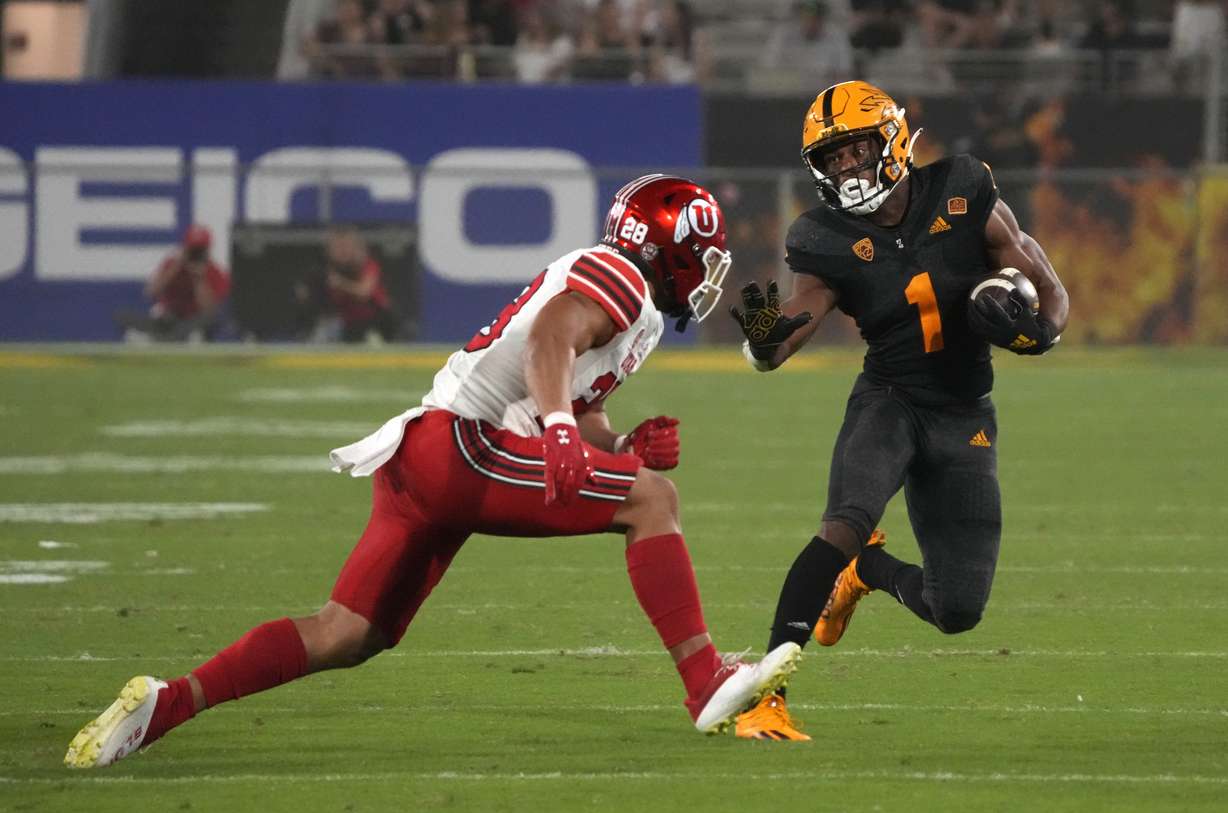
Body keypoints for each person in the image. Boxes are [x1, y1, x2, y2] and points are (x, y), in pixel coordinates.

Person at [64, 174, 803, 769]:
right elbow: (551, 340)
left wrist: (624, 446)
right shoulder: (620, 276)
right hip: (463, 445)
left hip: (427, 450)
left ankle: (167, 703)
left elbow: (579, 411)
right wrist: (563, 435)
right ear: (670, 248)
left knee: (348, 631)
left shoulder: (623, 298)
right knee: (654, 502)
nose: (708, 275)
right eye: (704, 257)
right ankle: (704, 677)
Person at [727, 81, 1069, 740]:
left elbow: (1046, 284)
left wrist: (1042, 332)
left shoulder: (964, 188)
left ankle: (867, 572)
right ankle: (765, 698)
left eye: (857, 150)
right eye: (833, 159)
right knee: (842, 523)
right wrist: (766, 341)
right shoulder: (823, 236)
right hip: (890, 398)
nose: (848, 168)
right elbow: (795, 318)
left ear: (891, 139)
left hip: (964, 411)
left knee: (957, 608)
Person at [114, 224, 230, 343]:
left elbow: (209, 310)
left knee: (211, 320)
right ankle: (172, 337)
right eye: (192, 249)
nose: (195, 254)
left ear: (208, 250)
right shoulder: (172, 264)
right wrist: (176, 267)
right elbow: (151, 292)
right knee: (122, 315)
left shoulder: (216, 272)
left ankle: (165, 338)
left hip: (193, 321)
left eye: (199, 250)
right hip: (168, 319)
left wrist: (199, 278)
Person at [321, 226, 401, 343]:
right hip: (351, 323)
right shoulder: (328, 270)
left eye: (345, 247)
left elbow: (364, 292)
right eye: (336, 247)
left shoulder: (368, 265)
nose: (342, 251)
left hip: (379, 320)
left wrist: (341, 283)